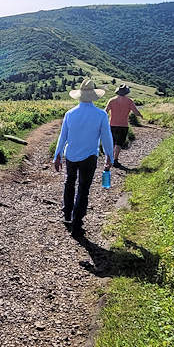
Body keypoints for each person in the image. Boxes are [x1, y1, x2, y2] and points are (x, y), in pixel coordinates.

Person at [53, 79, 114, 237]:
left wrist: (57, 156)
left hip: (71, 155)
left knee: (69, 183)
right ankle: (77, 224)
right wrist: (109, 156)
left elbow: (62, 137)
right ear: (93, 96)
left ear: (79, 96)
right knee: (83, 190)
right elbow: (107, 138)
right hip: (89, 157)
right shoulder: (101, 115)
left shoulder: (70, 114)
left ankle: (67, 214)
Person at [104, 84, 142, 169]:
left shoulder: (112, 100)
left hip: (112, 124)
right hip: (123, 125)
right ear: (126, 92)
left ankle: (108, 160)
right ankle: (115, 160)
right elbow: (136, 112)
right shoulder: (129, 101)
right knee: (119, 143)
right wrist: (140, 115)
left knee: (112, 143)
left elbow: (105, 111)